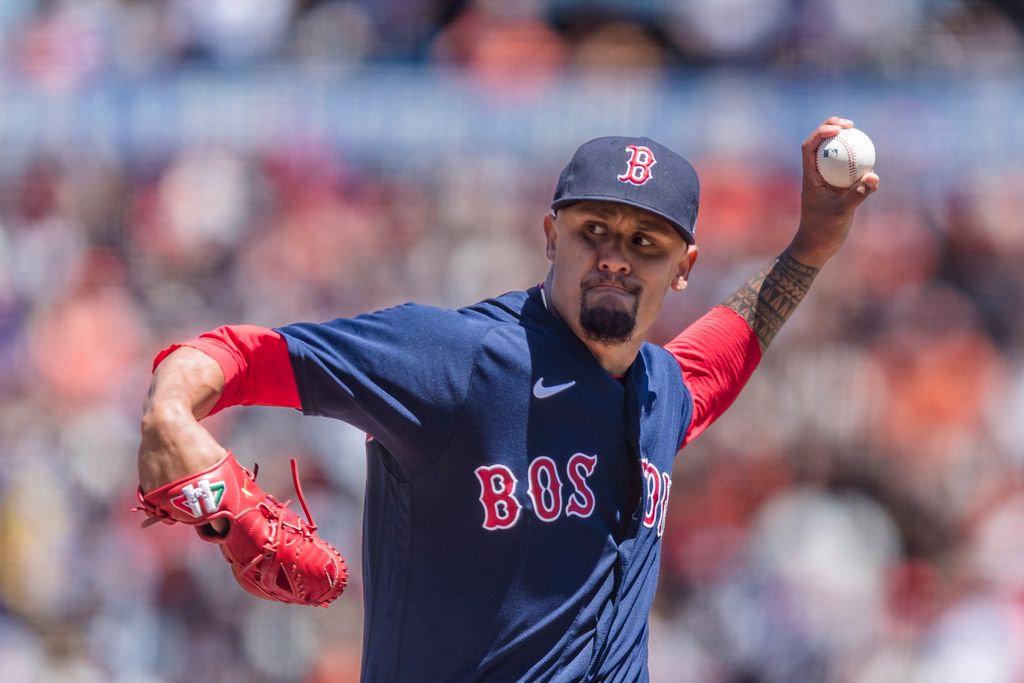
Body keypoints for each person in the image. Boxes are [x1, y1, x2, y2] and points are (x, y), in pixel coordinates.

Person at [137, 117, 879, 681]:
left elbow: (736, 338)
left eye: (646, 242)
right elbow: (240, 354)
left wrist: (813, 241)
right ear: (550, 234)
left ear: (684, 267)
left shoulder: (662, 391)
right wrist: (171, 413)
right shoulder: (455, 358)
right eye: (595, 230)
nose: (616, 255)